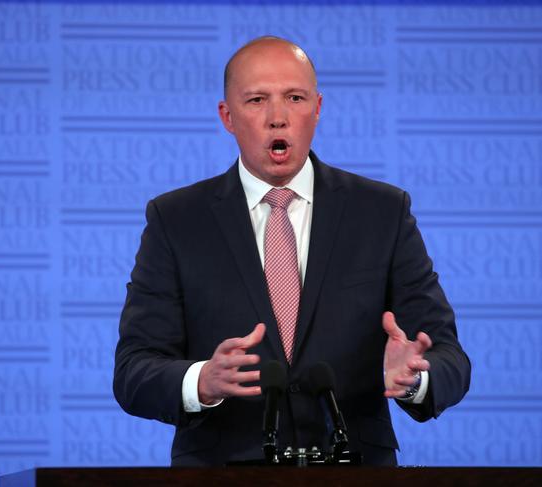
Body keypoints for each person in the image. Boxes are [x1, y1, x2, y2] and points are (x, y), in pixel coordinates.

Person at [113, 36, 470, 466]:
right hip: (222, 474)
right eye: (257, 100)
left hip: (355, 472)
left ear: (317, 108)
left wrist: (416, 378)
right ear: (227, 116)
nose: (278, 118)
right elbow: (133, 371)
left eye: (294, 98)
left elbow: (450, 359)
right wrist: (201, 380)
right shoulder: (175, 219)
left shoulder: (383, 212)